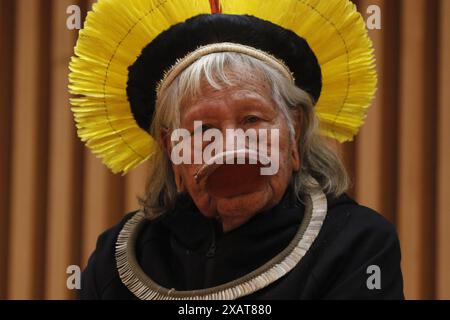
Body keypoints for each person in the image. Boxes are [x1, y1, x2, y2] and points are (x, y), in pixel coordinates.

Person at [70, 0, 404, 300]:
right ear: (171, 148)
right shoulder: (117, 260)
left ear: (294, 129)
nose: (231, 147)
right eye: (203, 129)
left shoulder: (357, 245)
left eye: (252, 119)